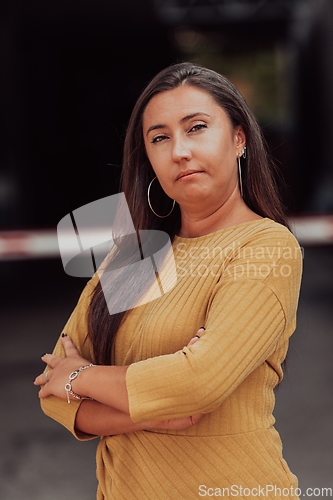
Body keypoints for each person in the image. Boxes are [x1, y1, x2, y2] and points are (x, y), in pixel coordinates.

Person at [34, 62, 302, 499]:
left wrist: (81, 375)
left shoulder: (266, 247)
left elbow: (198, 383)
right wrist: (155, 412)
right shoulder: (134, 258)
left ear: (239, 139)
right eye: (159, 137)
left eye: (196, 127)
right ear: (149, 159)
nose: (179, 150)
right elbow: (50, 392)